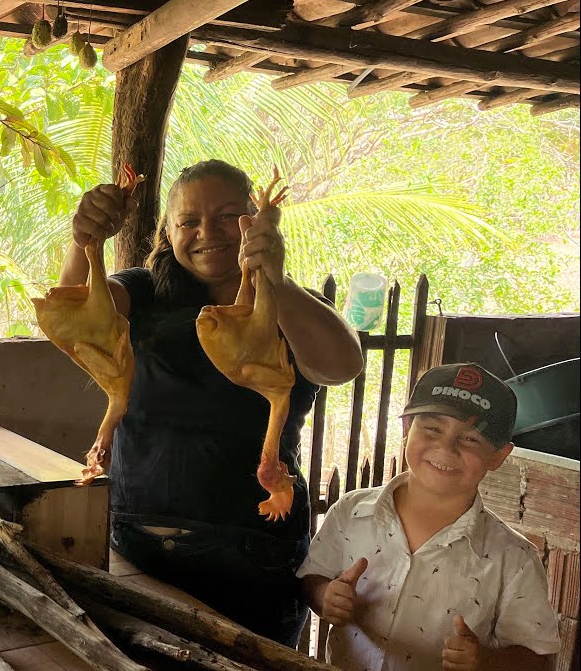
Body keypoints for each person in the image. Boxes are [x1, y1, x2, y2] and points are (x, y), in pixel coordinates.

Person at [62, 159, 363, 646]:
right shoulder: (143, 292)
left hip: (250, 560)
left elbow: (342, 364)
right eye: (188, 221)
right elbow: (78, 315)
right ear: (169, 230)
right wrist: (84, 241)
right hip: (137, 547)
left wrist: (275, 282)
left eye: (227, 216)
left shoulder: (286, 304)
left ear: (254, 220)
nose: (208, 232)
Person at [299, 363, 560, 670]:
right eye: (433, 429)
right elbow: (311, 577)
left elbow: (539, 659)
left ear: (498, 456)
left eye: (470, 439)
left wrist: (486, 661)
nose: (446, 447)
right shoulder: (351, 511)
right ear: (407, 427)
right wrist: (325, 595)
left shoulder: (514, 559)